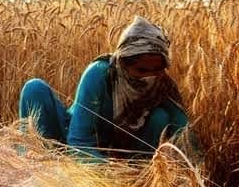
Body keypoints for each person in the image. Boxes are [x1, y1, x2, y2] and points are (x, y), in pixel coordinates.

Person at [18, 15, 190, 161]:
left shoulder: (163, 84)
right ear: (122, 63)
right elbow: (79, 141)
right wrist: (106, 174)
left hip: (121, 159)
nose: (149, 76)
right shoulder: (100, 73)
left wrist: (198, 176)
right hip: (70, 144)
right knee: (35, 88)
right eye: (141, 70)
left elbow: (185, 137)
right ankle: (33, 162)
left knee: (161, 116)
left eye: (157, 69)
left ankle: (138, 173)